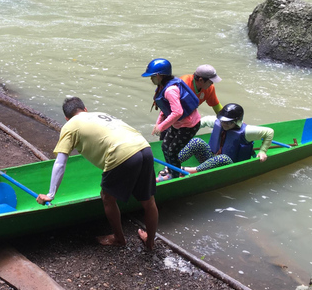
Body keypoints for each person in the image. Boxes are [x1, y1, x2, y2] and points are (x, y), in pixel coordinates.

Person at [36, 97, 159, 250]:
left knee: (107, 197)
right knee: (148, 201)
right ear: (85, 109)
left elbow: (60, 162)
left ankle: (119, 239)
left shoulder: (70, 126)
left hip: (121, 153)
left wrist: (51, 194)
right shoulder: (100, 114)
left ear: (67, 118)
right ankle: (150, 242)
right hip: (144, 147)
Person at [142, 58, 201, 181]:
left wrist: (161, 127)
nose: (150, 79)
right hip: (178, 124)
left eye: (152, 76)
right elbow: (165, 108)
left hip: (189, 125)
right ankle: (172, 170)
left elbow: (177, 112)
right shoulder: (163, 86)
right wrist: (158, 123)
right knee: (165, 146)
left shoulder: (170, 90)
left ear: (158, 76)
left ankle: (175, 177)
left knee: (173, 151)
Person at [177, 103, 274, 174]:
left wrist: (262, 151)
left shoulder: (247, 131)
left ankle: (191, 171)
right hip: (211, 160)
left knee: (223, 158)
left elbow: (269, 132)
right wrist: (187, 132)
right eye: (223, 121)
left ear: (236, 121)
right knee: (196, 141)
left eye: (228, 122)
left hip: (229, 165)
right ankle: (174, 162)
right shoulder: (219, 122)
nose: (224, 124)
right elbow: (201, 122)